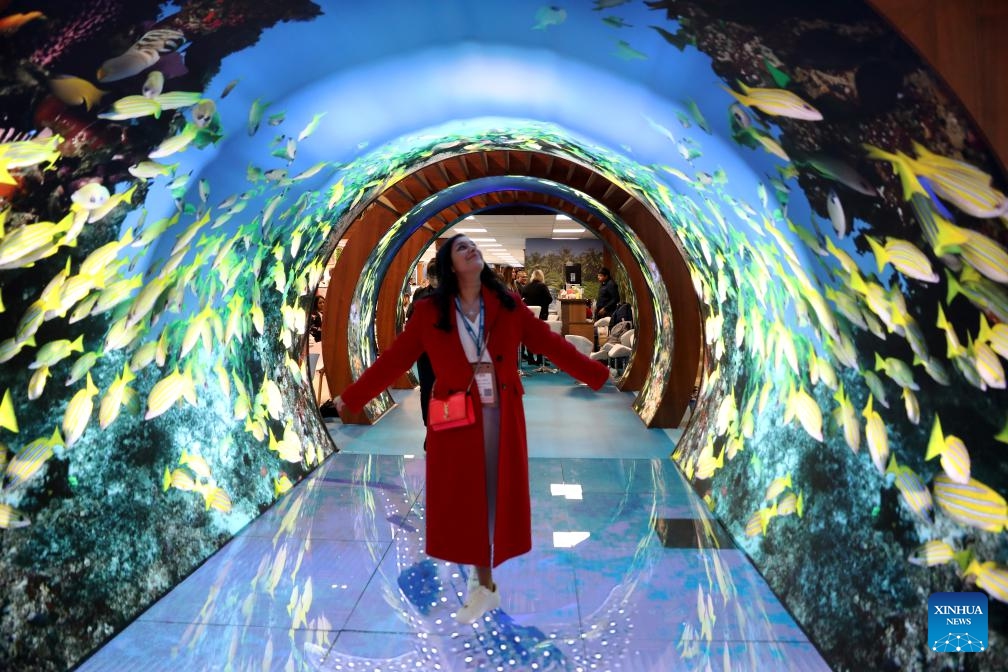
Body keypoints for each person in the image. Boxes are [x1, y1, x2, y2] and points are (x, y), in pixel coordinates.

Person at [334, 234, 609, 625]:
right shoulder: (429, 312)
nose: (471, 249)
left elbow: (550, 344)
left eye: (473, 246)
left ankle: (484, 585)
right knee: (465, 499)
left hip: (501, 416)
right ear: (450, 265)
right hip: (456, 419)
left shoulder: (508, 305)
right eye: (461, 247)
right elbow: (394, 359)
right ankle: (483, 584)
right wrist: (353, 397)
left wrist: (596, 374)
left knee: (493, 498)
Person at [408, 259, 439, 429]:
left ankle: (438, 428)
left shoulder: (456, 296)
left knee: (442, 390)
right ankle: (430, 426)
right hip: (426, 352)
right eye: (432, 275)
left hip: (443, 354)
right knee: (427, 388)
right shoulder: (421, 294)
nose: (435, 279)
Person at [520, 269, 553, 370]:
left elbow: (522, 300)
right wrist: (542, 304)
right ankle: (539, 359)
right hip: (541, 315)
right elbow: (549, 299)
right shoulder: (542, 286)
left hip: (529, 316)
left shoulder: (526, 287)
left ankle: (530, 358)